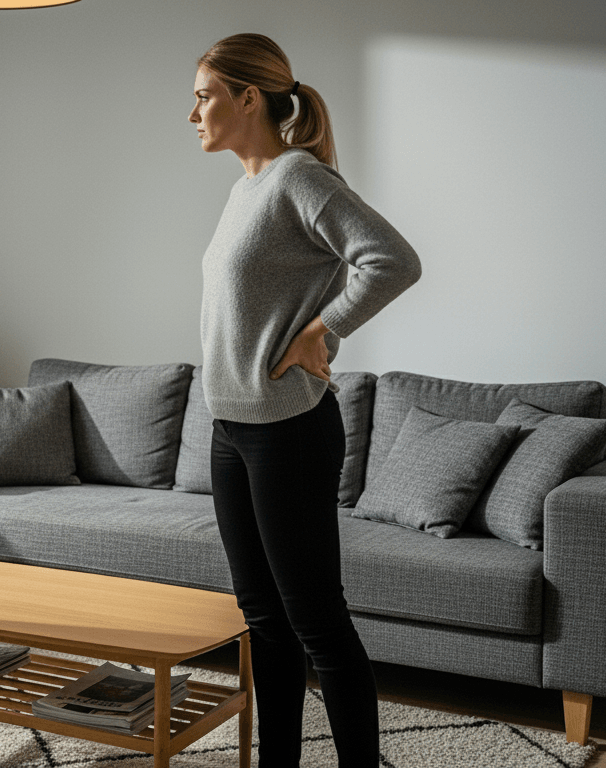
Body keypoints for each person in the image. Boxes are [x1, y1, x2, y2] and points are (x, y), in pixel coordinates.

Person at [190, 33, 421, 767]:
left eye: (203, 95)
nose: (192, 112)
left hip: (288, 430)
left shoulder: (298, 178)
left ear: (247, 97)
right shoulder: (244, 188)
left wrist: (323, 329)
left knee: (316, 622)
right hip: (230, 427)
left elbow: (394, 260)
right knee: (262, 620)